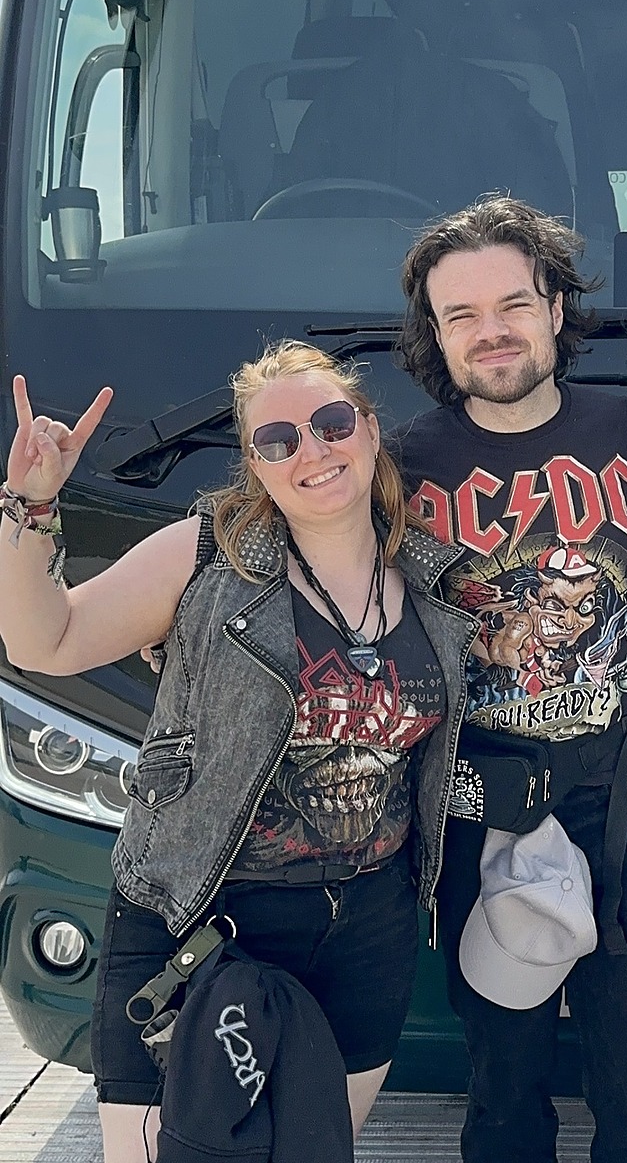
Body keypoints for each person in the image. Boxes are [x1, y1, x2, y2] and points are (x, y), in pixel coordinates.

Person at [0, 342, 477, 1161]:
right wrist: (29, 505)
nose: (313, 452)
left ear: (368, 428)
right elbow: (46, 639)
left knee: (313, 1149)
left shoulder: (431, 579)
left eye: (331, 423)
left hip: (365, 931)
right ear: (255, 466)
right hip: (198, 918)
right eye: (278, 441)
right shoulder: (203, 558)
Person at [396, 195, 627, 1163]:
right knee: (504, 1080)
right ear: (435, 337)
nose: (492, 332)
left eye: (513, 304)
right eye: (461, 315)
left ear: (556, 308)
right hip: (483, 802)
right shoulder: (400, 467)